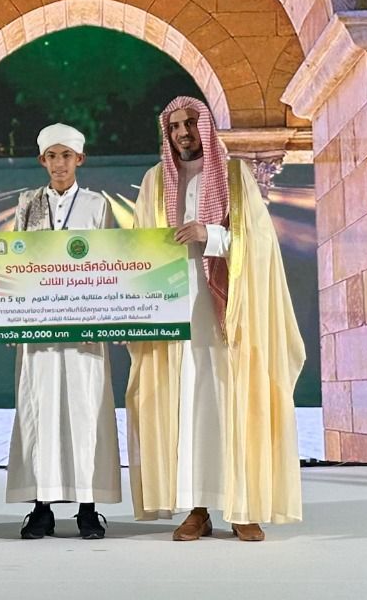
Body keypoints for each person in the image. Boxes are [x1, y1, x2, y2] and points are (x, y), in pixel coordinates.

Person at [125, 96, 304, 542]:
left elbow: (260, 243)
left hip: (228, 310)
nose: (183, 132)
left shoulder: (235, 176)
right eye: (174, 126)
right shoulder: (154, 182)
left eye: (190, 123)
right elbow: (137, 246)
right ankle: (197, 507)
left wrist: (211, 234)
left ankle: (242, 507)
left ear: (204, 126)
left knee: (230, 398)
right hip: (174, 310)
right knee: (187, 402)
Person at [6, 123, 121, 540]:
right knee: (40, 409)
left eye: (66, 156)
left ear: (79, 159)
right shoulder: (27, 203)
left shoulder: (96, 204)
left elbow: (110, 261)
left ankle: (88, 508)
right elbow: (14, 261)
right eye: (52, 156)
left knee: (85, 408)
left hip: (83, 327)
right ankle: (42, 507)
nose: (59, 164)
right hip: (38, 327)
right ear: (42, 161)